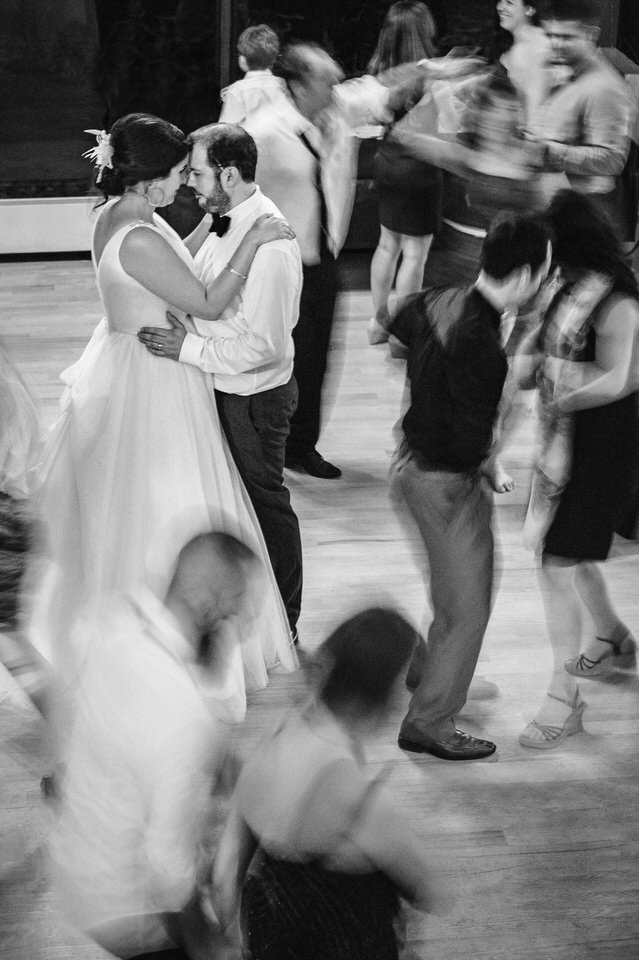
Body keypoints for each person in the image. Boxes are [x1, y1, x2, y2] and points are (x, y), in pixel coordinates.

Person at [29, 113, 297, 699]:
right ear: (150, 178)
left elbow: (175, 261)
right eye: (178, 173)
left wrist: (212, 229)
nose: (183, 184)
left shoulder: (122, 215)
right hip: (153, 376)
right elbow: (203, 300)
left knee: (137, 502)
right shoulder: (142, 234)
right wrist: (249, 241)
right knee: (165, 501)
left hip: (131, 357)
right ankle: (167, 641)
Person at [384, 212, 553, 760]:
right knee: (469, 608)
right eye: (546, 273)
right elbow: (468, 441)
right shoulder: (483, 344)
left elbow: (394, 327)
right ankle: (429, 723)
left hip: (408, 467)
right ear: (525, 275)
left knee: (451, 590)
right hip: (444, 484)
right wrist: (491, 461)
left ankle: (427, 671)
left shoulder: (440, 298)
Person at [50, 532, 261, 959]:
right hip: (126, 908)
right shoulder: (180, 712)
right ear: (207, 604)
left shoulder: (113, 614)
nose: (243, 632)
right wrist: (210, 947)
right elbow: (168, 870)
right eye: (238, 613)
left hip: (74, 862)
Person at [138, 122, 304, 642]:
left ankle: (286, 621)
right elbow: (206, 290)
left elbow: (263, 348)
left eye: (198, 173)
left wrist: (188, 347)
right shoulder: (227, 221)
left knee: (266, 506)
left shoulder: (272, 247)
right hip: (223, 386)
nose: (189, 183)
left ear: (228, 175)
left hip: (254, 399)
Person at [210, 607, 447, 960]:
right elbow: (432, 889)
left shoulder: (268, 747)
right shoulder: (357, 801)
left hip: (271, 940)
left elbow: (224, 877)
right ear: (387, 698)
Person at [517, 191, 639, 749]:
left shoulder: (619, 301)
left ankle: (562, 698)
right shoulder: (568, 287)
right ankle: (612, 637)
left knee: (556, 562)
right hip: (563, 446)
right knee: (571, 551)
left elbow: (619, 379)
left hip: (607, 448)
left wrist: (558, 395)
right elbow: (541, 350)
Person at [367, 1, 443, 347]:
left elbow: (376, 116)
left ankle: (378, 322)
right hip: (419, 166)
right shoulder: (430, 72)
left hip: (386, 161)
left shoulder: (381, 68)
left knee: (386, 245)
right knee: (415, 253)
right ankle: (403, 330)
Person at [528, 0, 634, 235]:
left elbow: (612, 160)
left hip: (587, 216)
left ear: (591, 35)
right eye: (551, 35)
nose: (556, 44)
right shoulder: (566, 72)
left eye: (566, 37)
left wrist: (546, 150)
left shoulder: (605, 87)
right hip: (561, 209)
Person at [219, 24, 286, 125]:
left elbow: (226, 130)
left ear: (243, 58)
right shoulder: (282, 85)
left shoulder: (237, 90)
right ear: (273, 58)